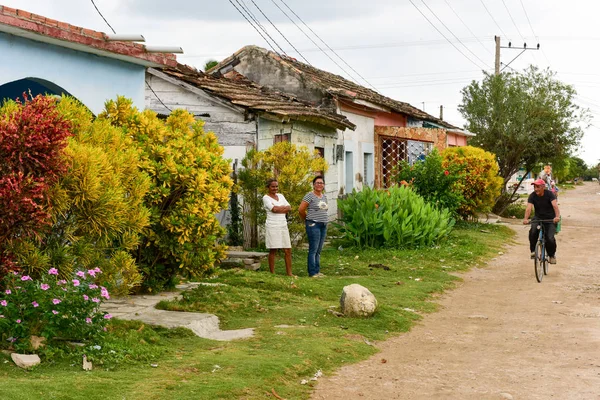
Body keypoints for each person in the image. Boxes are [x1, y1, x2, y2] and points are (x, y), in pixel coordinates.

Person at [523, 178, 561, 264]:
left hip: (550, 219)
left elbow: (555, 206)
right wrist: (525, 218)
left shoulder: (550, 194)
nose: (536, 189)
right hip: (538, 218)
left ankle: (551, 255)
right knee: (533, 232)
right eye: (535, 187)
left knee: (550, 238)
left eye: (538, 187)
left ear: (543, 187)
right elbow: (529, 208)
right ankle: (533, 251)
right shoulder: (532, 195)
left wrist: (557, 217)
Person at [298, 176, 328, 278]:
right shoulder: (309, 196)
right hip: (313, 224)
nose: (319, 185)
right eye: (317, 183)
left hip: (323, 225)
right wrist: (307, 219)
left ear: (323, 185)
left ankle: (317, 271)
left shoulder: (324, 197)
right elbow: (301, 209)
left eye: (321, 183)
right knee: (313, 249)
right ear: (314, 185)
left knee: (319, 250)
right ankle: (312, 273)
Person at [262, 179, 293, 276]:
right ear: (268, 187)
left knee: (287, 249)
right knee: (273, 249)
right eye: (273, 186)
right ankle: (272, 273)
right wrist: (282, 209)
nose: (275, 188)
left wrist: (279, 208)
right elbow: (273, 209)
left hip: (283, 224)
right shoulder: (266, 198)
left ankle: (289, 273)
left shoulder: (281, 196)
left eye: (276, 186)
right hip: (272, 225)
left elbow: (289, 207)